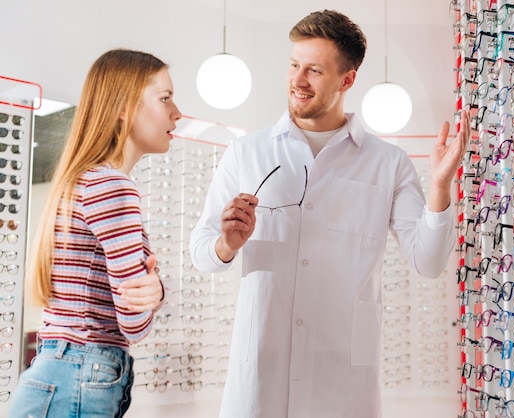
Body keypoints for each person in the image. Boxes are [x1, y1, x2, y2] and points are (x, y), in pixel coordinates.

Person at [189, 9, 469, 418]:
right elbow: (201, 253)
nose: (297, 81)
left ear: (347, 79)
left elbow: (428, 262)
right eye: (294, 65)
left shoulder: (387, 164)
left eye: (314, 71)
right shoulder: (246, 153)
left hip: (341, 391)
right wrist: (225, 244)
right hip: (259, 385)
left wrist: (441, 188)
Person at [9, 48, 182, 418]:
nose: (177, 112)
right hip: (83, 372)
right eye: (165, 98)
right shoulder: (113, 187)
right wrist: (156, 292)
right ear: (123, 106)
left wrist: (155, 289)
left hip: (62, 370)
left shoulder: (83, 180)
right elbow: (134, 324)